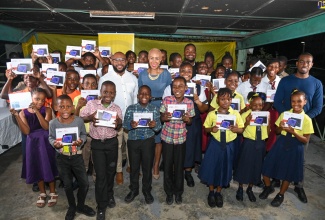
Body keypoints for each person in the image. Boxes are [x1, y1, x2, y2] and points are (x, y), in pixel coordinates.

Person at [273, 52, 323, 203]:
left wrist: (302, 119)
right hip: (286, 125)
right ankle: (277, 179)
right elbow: (277, 102)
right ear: (297, 63)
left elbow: (318, 107)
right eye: (301, 61)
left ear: (311, 65)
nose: (304, 64)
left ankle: (299, 185)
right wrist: (288, 117)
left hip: (303, 128)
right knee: (281, 153)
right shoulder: (286, 81)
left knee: (300, 158)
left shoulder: (316, 83)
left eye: (308, 62)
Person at [260, 90, 314, 207]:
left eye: (299, 101)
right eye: (293, 101)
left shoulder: (307, 119)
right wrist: (282, 127)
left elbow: (305, 140)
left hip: (296, 146)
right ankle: (268, 187)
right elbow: (277, 131)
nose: (296, 104)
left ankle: (281, 194)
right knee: (267, 165)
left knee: (288, 172)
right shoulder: (285, 114)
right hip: (281, 143)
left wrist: (293, 132)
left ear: (305, 102)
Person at [80, 81, 122, 220]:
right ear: (100, 92)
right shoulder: (92, 104)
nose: (108, 95)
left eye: (111, 92)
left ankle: (109, 194)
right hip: (97, 144)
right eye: (105, 92)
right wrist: (90, 117)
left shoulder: (116, 108)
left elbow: (119, 123)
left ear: (114, 94)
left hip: (111, 143)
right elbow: (81, 117)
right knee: (101, 176)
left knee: (110, 172)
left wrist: (118, 123)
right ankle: (101, 206)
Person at [49, 95, 96, 220]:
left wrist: (81, 141)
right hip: (61, 157)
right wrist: (54, 143)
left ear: (73, 108)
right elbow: (51, 137)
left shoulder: (78, 121)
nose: (65, 109)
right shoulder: (53, 123)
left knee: (84, 183)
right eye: (62, 107)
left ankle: (80, 205)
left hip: (76, 156)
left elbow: (82, 134)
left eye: (68, 106)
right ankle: (72, 206)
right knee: (68, 184)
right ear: (56, 107)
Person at [10, 88, 58, 208]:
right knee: (37, 166)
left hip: (45, 141)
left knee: (48, 165)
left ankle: (53, 191)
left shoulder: (47, 109)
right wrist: (16, 115)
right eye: (37, 99)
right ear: (30, 98)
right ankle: (42, 192)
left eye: (42, 100)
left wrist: (37, 111)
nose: (40, 102)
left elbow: (46, 127)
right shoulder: (23, 112)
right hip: (33, 142)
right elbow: (26, 131)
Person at [163, 62, 208, 187]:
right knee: (175, 149)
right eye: (183, 70)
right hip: (173, 124)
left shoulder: (199, 88)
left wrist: (198, 100)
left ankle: (187, 173)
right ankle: (175, 172)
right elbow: (164, 107)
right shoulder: (170, 87)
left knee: (190, 149)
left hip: (192, 123)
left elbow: (204, 109)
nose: (186, 73)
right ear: (179, 71)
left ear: (193, 72)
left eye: (189, 71)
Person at [198, 88, 244, 208]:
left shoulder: (235, 114)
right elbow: (206, 128)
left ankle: (219, 192)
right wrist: (211, 129)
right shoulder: (212, 114)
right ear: (217, 100)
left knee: (225, 168)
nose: (225, 101)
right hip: (215, 144)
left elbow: (242, 129)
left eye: (228, 99)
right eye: (222, 99)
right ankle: (211, 191)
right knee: (212, 167)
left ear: (231, 100)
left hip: (229, 145)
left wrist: (236, 129)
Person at [98, 52, 138, 185]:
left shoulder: (133, 78)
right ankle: (119, 171)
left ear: (126, 61)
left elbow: (137, 98)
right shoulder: (105, 79)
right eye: (116, 60)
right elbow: (101, 101)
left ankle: (132, 166)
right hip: (114, 119)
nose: (119, 63)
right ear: (111, 61)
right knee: (118, 146)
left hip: (131, 118)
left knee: (132, 145)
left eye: (122, 60)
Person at [123, 85, 162, 204]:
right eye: (141, 94)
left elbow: (158, 128)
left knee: (146, 167)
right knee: (134, 168)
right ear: (137, 96)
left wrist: (154, 125)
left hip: (148, 141)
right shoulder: (131, 108)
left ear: (150, 97)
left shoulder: (154, 109)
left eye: (147, 94)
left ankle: (146, 190)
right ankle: (134, 189)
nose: (144, 96)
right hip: (133, 141)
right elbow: (125, 125)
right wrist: (131, 125)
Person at [138, 48, 172, 180]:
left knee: (158, 139)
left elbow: (170, 93)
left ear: (161, 59)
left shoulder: (166, 74)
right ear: (147, 59)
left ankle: (156, 165)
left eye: (157, 58)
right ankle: (145, 164)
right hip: (145, 107)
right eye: (151, 58)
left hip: (161, 108)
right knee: (146, 138)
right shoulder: (142, 75)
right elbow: (140, 94)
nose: (154, 61)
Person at [160, 76, 195, 205]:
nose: (177, 89)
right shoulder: (167, 100)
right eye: (174, 86)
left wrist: (188, 119)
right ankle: (169, 193)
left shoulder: (189, 103)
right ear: (171, 88)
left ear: (186, 88)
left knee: (179, 166)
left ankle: (178, 192)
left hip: (181, 138)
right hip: (167, 138)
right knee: (168, 166)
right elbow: (162, 117)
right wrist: (164, 117)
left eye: (181, 86)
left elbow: (190, 120)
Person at [233, 92, 270, 202]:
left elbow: (267, 133)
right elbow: (240, 131)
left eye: (260, 105)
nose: (257, 107)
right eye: (255, 105)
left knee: (256, 166)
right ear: (250, 104)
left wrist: (268, 123)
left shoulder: (265, 115)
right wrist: (247, 122)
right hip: (248, 143)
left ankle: (250, 188)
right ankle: (240, 188)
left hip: (260, 143)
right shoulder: (245, 115)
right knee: (244, 165)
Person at [73, 74, 98, 179]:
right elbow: (74, 119)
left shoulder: (99, 99)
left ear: (97, 86)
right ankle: (82, 180)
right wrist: (79, 106)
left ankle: (97, 178)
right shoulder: (77, 99)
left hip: (97, 135)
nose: (90, 87)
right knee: (84, 159)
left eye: (93, 84)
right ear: (82, 85)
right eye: (87, 84)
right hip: (84, 135)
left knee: (97, 160)